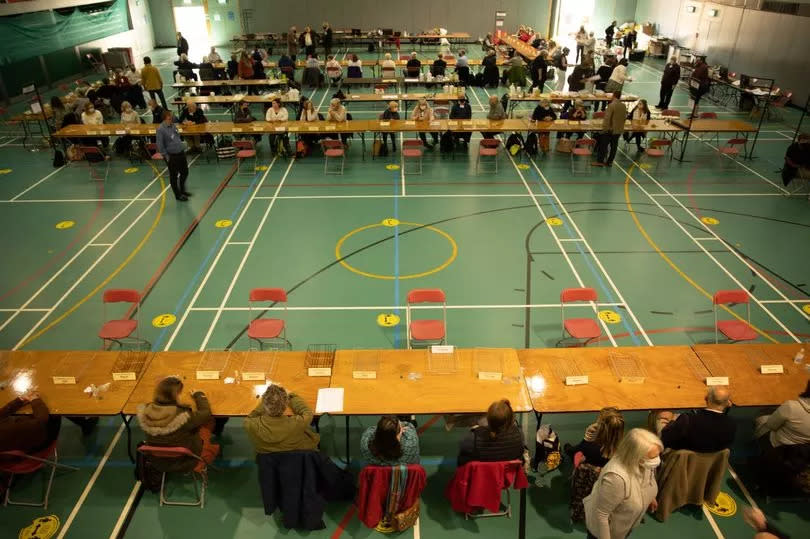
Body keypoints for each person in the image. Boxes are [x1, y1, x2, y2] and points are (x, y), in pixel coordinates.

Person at [584, 428, 662, 539]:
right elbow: (601, 514)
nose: (657, 460)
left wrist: (650, 496)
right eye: (653, 457)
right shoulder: (616, 478)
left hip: (623, 528)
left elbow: (648, 480)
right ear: (636, 456)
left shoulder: (646, 463)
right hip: (605, 532)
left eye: (658, 455)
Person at [137, 376, 219, 471]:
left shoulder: (145, 412)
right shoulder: (182, 416)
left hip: (157, 461)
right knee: (209, 422)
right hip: (187, 461)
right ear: (176, 395)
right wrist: (199, 395)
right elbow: (206, 413)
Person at [243, 384, 319, 453]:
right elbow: (308, 413)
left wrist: (268, 401)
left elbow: (251, 416)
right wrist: (292, 397)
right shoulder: (297, 423)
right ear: (285, 404)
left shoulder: (250, 424)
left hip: (268, 458)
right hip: (296, 454)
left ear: (265, 404)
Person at [661, 387, 736, 453]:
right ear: (727, 403)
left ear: (706, 398)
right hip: (711, 468)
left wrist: (672, 422)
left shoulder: (688, 420)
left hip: (684, 467)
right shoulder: (731, 425)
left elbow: (665, 439)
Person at [457, 399, 524, 466]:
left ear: (488, 419)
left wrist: (476, 430)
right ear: (511, 420)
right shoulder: (519, 435)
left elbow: (462, 459)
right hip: (509, 475)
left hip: (481, 475)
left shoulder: (473, 437)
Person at [755, 380, 810, 451]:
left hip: (779, 446)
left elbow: (771, 425)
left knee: (764, 412)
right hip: (805, 451)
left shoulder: (791, 406)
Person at [156, 110, 191, 201]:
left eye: (171, 117)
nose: (171, 118)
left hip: (180, 152)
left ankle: (182, 190)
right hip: (172, 156)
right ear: (165, 118)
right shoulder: (160, 129)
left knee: (185, 172)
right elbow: (160, 145)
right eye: (170, 117)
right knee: (174, 176)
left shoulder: (173, 125)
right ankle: (178, 195)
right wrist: (167, 157)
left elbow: (176, 136)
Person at [594, 91, 627, 167]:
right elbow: (624, 118)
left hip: (610, 130)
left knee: (603, 146)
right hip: (618, 130)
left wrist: (604, 129)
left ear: (614, 96)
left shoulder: (611, 105)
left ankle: (600, 162)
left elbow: (607, 119)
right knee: (614, 147)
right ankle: (610, 162)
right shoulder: (623, 105)